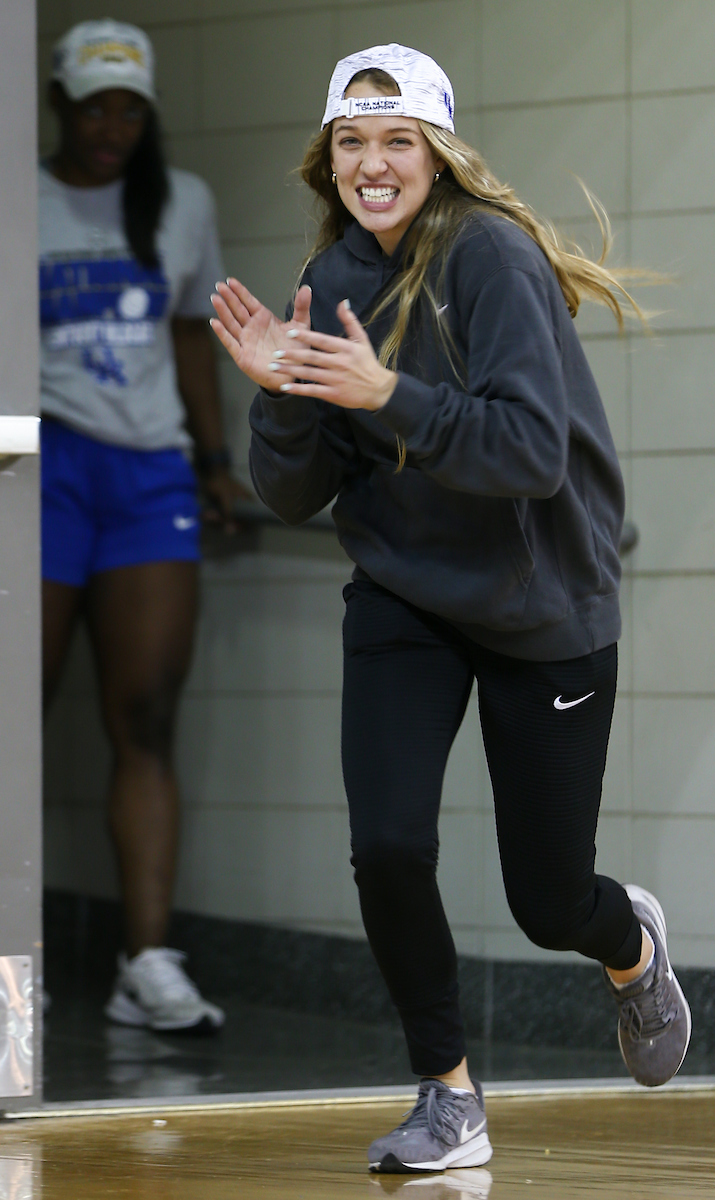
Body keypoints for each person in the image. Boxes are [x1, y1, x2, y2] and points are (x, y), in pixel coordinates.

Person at [211, 43, 691, 1173]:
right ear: (326, 161)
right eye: (350, 143)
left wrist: (392, 393)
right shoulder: (331, 278)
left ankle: (630, 945)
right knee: (385, 844)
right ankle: (448, 1096)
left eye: (395, 142)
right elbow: (290, 492)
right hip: (402, 595)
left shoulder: (492, 259)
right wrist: (283, 393)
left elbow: (529, 452)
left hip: (542, 607)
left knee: (545, 899)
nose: (371, 164)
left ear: (436, 153)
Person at [41, 20, 247, 1033]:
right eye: (93, 104)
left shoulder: (182, 203)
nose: (112, 125)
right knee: (11, 722)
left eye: (129, 106)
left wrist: (216, 466)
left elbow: (189, 336)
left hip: (149, 473)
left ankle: (147, 964)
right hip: (37, 466)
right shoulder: (18, 198)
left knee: (147, 716)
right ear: (57, 103)